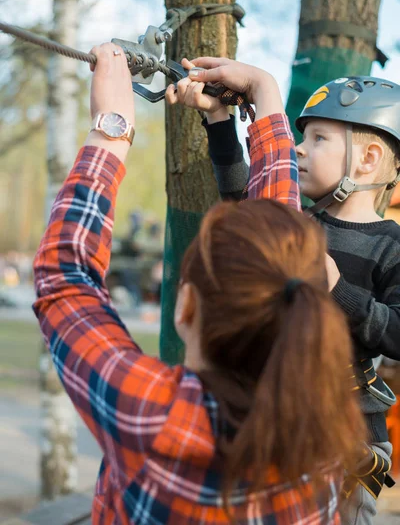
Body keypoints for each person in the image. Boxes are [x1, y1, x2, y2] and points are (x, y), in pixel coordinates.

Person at [33, 43, 366, 525]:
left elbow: (64, 278)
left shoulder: (153, 416)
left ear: (186, 307)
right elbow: (276, 254)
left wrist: (111, 130)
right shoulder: (323, 432)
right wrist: (265, 95)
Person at [170, 60, 400, 525]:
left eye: (318, 139)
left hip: (348, 439)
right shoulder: (300, 222)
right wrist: (219, 121)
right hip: (275, 418)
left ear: (368, 159)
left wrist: (337, 290)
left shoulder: (389, 246)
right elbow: (244, 204)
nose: (298, 149)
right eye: (301, 136)